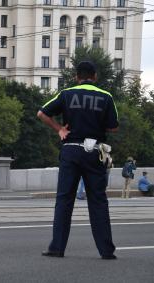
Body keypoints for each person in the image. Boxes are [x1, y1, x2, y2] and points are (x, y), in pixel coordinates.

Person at [37, 61, 119, 260]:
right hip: (95, 152)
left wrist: (60, 129)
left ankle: (57, 248)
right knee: (98, 201)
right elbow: (113, 127)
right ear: (95, 76)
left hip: (71, 151)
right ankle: (106, 250)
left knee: (64, 200)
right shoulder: (106, 96)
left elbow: (42, 113)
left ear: (76, 77)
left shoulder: (66, 93)